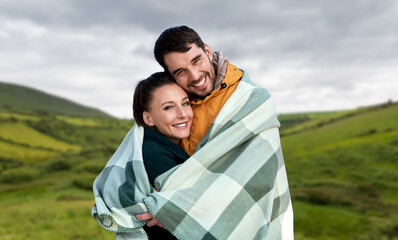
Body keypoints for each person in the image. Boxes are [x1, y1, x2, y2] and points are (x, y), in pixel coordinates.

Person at [93, 26, 293, 240]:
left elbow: (256, 178)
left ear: (207, 51)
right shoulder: (175, 99)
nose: (195, 76)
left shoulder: (253, 102)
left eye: (196, 60)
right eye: (180, 72)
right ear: (171, 76)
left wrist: (176, 211)